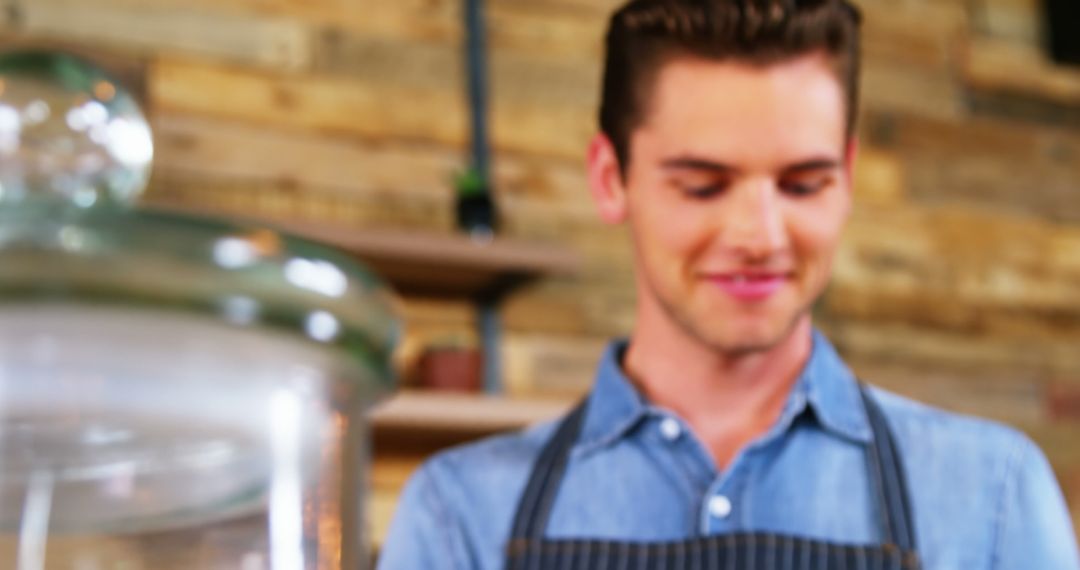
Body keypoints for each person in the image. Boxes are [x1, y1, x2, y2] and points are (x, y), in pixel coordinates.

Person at [377, 0, 1080, 568]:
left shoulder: (990, 493)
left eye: (803, 184)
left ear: (849, 176)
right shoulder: (461, 515)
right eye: (704, 186)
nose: (760, 236)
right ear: (609, 178)